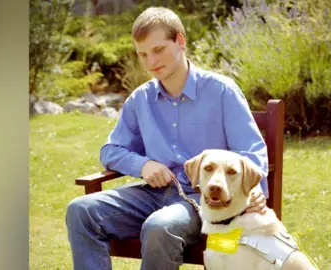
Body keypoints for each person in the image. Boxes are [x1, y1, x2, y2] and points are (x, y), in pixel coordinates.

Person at [65, 6, 270, 270]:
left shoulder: (221, 91)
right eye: (142, 55)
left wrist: (253, 191)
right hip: (152, 195)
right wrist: (143, 166)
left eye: (158, 49)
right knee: (80, 210)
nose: (151, 61)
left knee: (159, 227)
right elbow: (110, 150)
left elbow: (251, 151)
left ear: (180, 41)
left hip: (203, 200)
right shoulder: (141, 99)